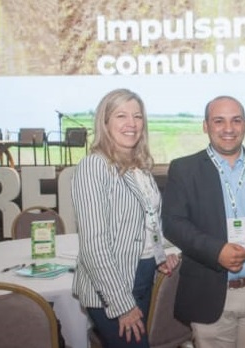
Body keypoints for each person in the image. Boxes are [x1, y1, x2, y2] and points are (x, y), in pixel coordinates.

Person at [161, 95, 245, 348]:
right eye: (219, 121)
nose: (228, 129)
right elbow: (173, 223)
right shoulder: (184, 169)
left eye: (236, 120)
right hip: (209, 291)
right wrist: (216, 251)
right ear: (205, 126)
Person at [71, 88, 180, 348]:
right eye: (121, 116)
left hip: (143, 275)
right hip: (111, 287)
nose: (131, 123)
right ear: (105, 122)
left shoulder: (139, 167)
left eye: (138, 116)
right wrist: (122, 305)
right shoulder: (94, 166)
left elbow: (149, 222)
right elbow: (94, 246)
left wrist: (162, 251)